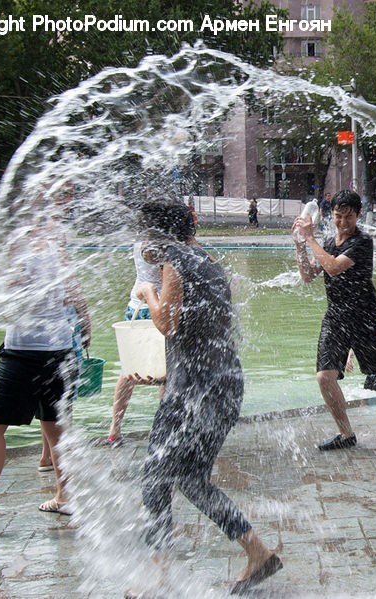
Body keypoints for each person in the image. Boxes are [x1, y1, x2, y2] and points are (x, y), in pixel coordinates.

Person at [131, 203, 280, 596]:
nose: (142, 242)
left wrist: (148, 291)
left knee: (154, 479)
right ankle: (258, 553)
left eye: (145, 233)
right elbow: (206, 329)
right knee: (192, 480)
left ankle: (158, 580)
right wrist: (166, 373)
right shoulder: (210, 261)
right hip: (223, 383)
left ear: (158, 235)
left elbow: (167, 323)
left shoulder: (174, 260)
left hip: (193, 393)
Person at [0, 235, 89, 525]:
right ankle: (66, 498)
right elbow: (74, 294)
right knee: (55, 423)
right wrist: (85, 331)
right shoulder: (53, 242)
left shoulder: (7, 243)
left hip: (24, 350)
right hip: (59, 348)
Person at [293, 190, 376, 450]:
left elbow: (334, 267)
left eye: (348, 217)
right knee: (324, 377)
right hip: (336, 315)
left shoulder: (362, 242)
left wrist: (310, 238)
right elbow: (307, 276)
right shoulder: (326, 242)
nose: (343, 222)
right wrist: (300, 245)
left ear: (358, 215)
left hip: (365, 314)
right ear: (331, 215)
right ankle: (345, 434)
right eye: (338, 216)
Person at [104, 234, 165, 447]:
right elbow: (166, 277)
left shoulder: (140, 238)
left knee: (127, 370)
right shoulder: (160, 241)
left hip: (134, 308)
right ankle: (165, 430)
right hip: (157, 308)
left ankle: (115, 429)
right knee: (167, 372)